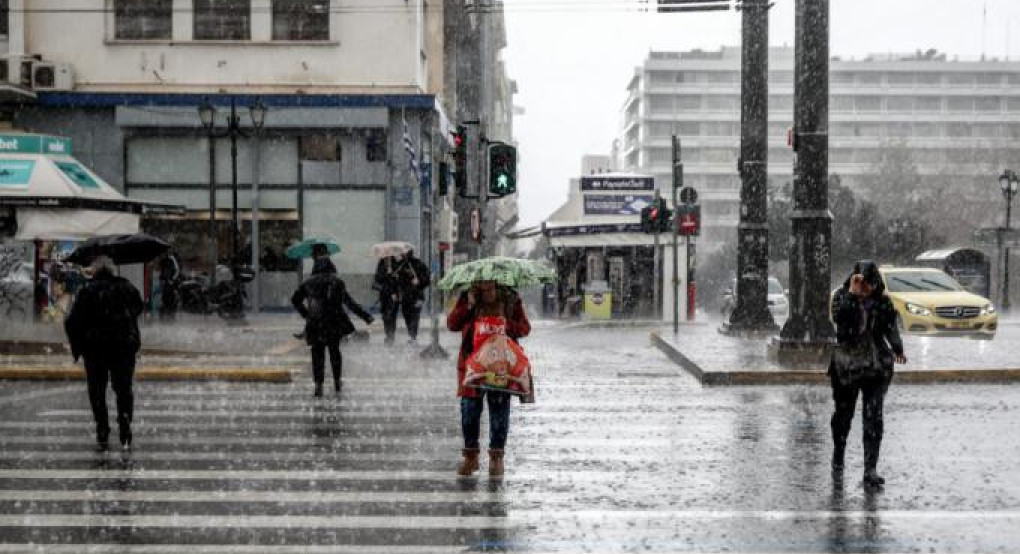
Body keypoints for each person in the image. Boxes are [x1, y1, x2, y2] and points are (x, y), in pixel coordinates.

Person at [829, 260, 907, 487]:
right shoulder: (842, 298)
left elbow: (891, 326)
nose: (866, 289)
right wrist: (853, 295)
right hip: (847, 365)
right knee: (843, 415)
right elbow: (840, 320)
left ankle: (870, 468)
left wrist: (897, 347)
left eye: (869, 285)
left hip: (875, 366)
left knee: (874, 416)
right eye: (862, 284)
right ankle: (838, 455)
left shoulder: (882, 302)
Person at [447, 280, 531, 477]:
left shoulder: (510, 298)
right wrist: (468, 305)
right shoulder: (469, 297)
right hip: (472, 364)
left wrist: (504, 325)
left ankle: (496, 457)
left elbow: (524, 328)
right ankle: (471, 456)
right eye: (482, 285)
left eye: (490, 285)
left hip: (501, 364)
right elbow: (452, 324)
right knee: (469, 410)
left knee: (499, 410)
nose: (486, 289)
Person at [64, 256, 144, 449]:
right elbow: (138, 307)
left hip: (95, 348)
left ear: (95, 270)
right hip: (122, 347)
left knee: (97, 390)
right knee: (123, 389)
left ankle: (102, 427)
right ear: (112, 270)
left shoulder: (86, 290)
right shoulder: (126, 287)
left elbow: (71, 321)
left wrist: (78, 346)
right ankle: (124, 422)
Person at [291, 257, 374, 397]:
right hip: (333, 323)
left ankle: (318, 385)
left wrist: (306, 314)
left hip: (315, 324)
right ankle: (337, 382)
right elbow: (349, 302)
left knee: (317, 354)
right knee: (335, 353)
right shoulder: (337, 282)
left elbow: (295, 300)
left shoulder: (308, 283)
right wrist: (366, 316)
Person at [373, 250, 431, 345]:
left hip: (415, 296)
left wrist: (419, 281)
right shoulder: (391, 264)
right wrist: (390, 275)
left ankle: (413, 337)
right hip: (399, 296)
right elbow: (383, 280)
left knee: (413, 316)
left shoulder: (417, 263)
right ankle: (390, 336)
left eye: (405, 253)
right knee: (392, 316)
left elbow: (427, 277)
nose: (403, 255)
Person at [158, 250, 181, 320]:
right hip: (166, 283)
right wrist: (162, 280)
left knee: (170, 300)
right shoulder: (163, 261)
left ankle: (170, 316)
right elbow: (162, 271)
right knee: (165, 299)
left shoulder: (172, 259)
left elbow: (177, 270)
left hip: (170, 283)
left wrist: (172, 279)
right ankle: (166, 315)